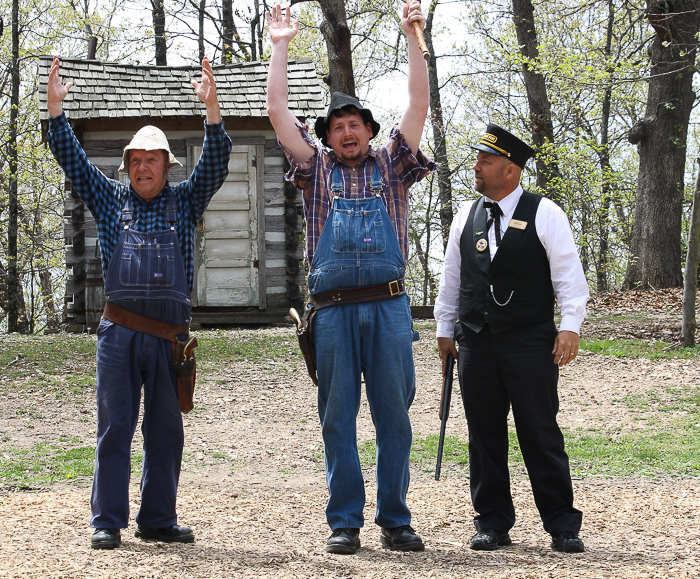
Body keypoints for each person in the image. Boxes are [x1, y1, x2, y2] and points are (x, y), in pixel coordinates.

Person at [266, 2, 435, 554]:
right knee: (337, 419)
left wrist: (415, 36)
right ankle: (345, 522)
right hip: (333, 312)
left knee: (395, 419)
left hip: (389, 309)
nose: (346, 133)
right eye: (337, 126)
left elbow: (419, 102)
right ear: (329, 136)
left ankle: (396, 518)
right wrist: (281, 44)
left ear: (368, 129)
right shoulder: (315, 171)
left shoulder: (393, 165)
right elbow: (276, 112)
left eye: (354, 124)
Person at [46, 55, 232, 550]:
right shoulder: (109, 200)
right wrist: (55, 110)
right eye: (135, 159)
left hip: (170, 339)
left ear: (167, 166)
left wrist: (212, 110)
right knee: (115, 427)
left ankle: (157, 519)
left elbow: (215, 162)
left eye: (152, 159)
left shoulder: (186, 201)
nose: (143, 166)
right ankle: (107, 520)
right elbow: (69, 156)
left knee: (166, 433)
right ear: (126, 166)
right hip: (119, 334)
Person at [434, 124, 589, 553]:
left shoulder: (546, 213)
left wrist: (570, 325)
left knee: (539, 430)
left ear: (511, 171)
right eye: (479, 159)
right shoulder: (467, 216)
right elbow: (452, 278)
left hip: (528, 341)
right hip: (476, 342)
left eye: (486, 161)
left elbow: (570, 280)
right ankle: (492, 521)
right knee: (483, 434)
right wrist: (444, 329)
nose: (477, 167)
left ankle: (561, 523)